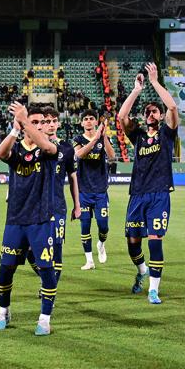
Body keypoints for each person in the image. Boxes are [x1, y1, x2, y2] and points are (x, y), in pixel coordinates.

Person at [0, 101, 59, 336]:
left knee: (47, 270)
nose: (40, 126)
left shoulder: (49, 147)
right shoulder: (17, 149)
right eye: (35, 121)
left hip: (40, 220)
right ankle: (3, 312)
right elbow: (0, 154)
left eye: (42, 122)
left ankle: (44, 319)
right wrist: (15, 128)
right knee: (5, 270)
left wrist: (25, 121)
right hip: (15, 220)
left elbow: (47, 147)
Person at [117, 63, 179, 305]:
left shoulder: (167, 134)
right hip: (137, 194)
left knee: (154, 239)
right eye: (147, 112)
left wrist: (154, 82)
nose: (150, 114)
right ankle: (142, 270)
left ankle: (154, 290)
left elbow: (172, 106)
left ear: (160, 116)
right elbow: (122, 117)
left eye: (154, 111)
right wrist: (136, 90)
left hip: (159, 194)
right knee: (133, 243)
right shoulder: (139, 137)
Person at [41, 106, 79, 283]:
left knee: (56, 247)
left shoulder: (67, 148)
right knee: (31, 249)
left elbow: (73, 177)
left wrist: (77, 205)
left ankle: (50, 289)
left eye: (54, 121)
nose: (51, 124)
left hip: (57, 206)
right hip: (36, 206)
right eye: (47, 121)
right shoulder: (34, 145)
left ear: (58, 124)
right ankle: (46, 280)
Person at [73, 109, 115, 270]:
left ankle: (101, 244)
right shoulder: (78, 139)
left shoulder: (103, 138)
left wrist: (103, 137)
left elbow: (112, 156)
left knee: (103, 227)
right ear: (81, 123)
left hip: (100, 191)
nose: (89, 121)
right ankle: (89, 260)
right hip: (83, 191)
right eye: (86, 119)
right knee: (85, 226)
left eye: (91, 118)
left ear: (96, 122)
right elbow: (79, 155)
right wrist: (95, 139)